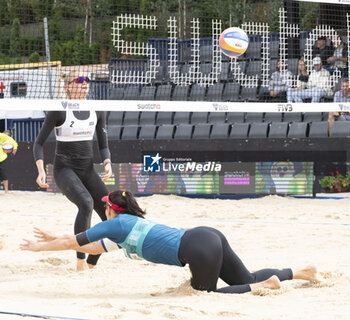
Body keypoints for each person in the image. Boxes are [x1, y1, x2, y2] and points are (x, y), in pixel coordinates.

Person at [21, 190, 322, 294]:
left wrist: (40, 247)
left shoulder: (115, 224)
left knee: (207, 294)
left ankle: (263, 287)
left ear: (112, 209)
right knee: (243, 277)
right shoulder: (126, 228)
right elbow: (87, 247)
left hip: (197, 249)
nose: (105, 211)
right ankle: (302, 272)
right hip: (206, 235)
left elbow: (75, 241)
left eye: (105, 207)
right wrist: (56, 238)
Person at [33, 72, 112, 271]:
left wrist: (107, 162)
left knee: (111, 214)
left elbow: (103, 144)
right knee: (86, 204)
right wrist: (41, 170)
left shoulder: (97, 109)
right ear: (68, 86)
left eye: (87, 80)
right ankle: (80, 263)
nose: (84, 83)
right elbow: (38, 144)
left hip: (87, 169)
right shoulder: (59, 110)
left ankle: (92, 264)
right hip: (64, 169)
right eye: (78, 80)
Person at [0, 130, 18, 194]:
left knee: (4, 175)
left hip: (2, 159)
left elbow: (13, 141)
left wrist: (15, 148)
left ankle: (6, 191)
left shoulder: (2, 136)